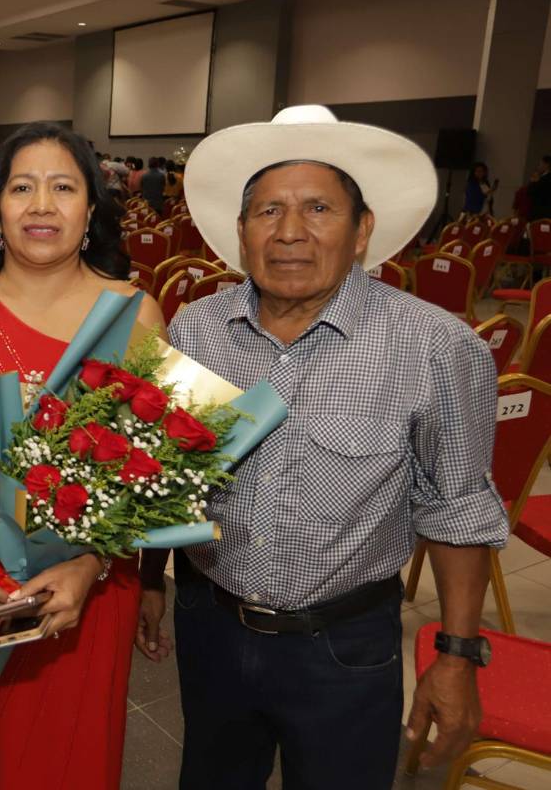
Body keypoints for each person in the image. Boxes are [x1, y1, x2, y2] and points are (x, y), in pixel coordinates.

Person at [145, 105, 509, 790]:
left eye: (318, 208)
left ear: (362, 229)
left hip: (345, 645)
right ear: (241, 231)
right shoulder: (197, 331)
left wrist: (457, 656)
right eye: (268, 211)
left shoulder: (435, 347)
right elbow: (165, 473)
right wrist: (146, 581)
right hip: (211, 623)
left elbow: (459, 509)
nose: (290, 232)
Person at [0, 121, 166, 789]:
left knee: (77, 756)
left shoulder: (136, 315)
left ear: (92, 208)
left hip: (90, 587)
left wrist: (89, 565)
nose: (41, 205)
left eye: (63, 188)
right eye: (22, 187)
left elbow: (150, 471)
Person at [527, 154, 551, 221]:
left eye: (540, 164)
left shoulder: (544, 179)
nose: (538, 167)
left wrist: (533, 182)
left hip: (540, 214)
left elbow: (531, 193)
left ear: (546, 165)